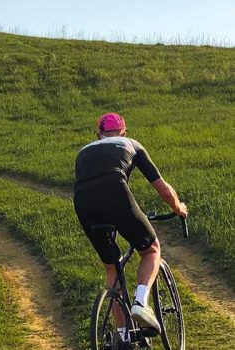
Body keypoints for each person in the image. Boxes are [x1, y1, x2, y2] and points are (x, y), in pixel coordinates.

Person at [73, 113, 188, 338]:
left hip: (83, 202)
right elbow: (162, 187)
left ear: (98, 135)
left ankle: (124, 334)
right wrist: (179, 208)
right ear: (124, 132)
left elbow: (90, 185)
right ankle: (141, 303)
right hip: (115, 192)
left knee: (111, 268)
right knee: (151, 250)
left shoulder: (83, 152)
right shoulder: (131, 144)